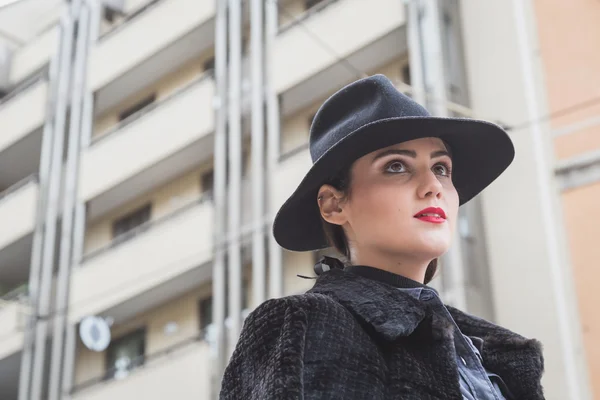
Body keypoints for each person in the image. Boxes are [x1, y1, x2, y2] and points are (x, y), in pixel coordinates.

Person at [219, 75, 545, 399]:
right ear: (333, 204)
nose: (433, 186)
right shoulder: (305, 323)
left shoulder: (493, 352)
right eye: (396, 167)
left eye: (441, 168)